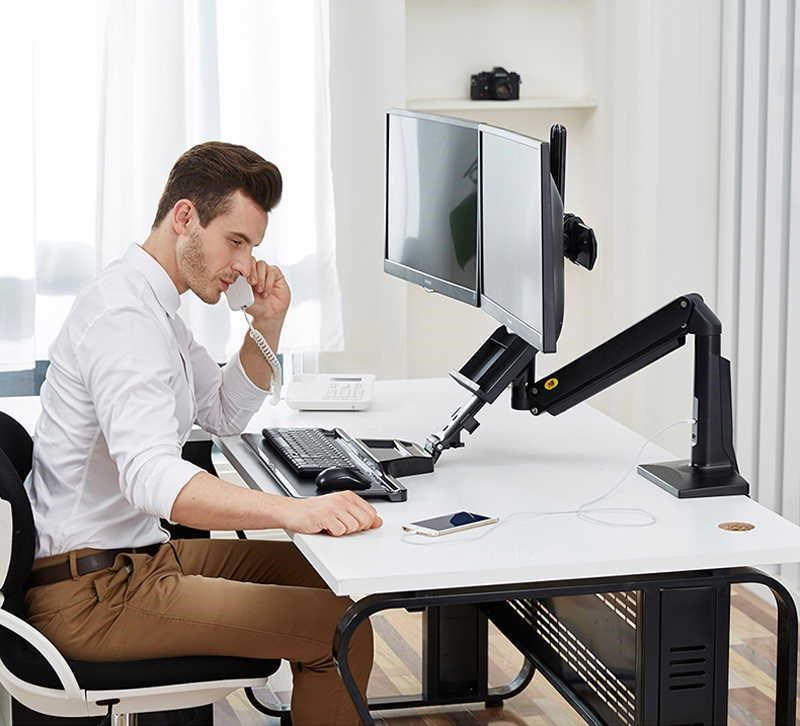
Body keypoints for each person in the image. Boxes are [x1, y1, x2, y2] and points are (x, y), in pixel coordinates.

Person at [23, 141, 380, 725]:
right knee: (342, 629)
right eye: (235, 241)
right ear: (185, 216)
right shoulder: (124, 319)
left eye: (252, 247)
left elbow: (222, 413)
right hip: (93, 595)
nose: (244, 264)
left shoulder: (154, 306)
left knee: (343, 586)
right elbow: (150, 477)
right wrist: (293, 512)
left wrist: (267, 323)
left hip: (135, 562)